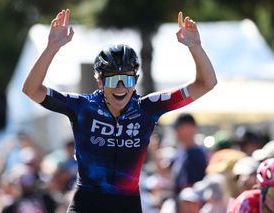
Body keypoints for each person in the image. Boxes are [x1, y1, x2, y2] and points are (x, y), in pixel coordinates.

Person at [22, 8, 217, 213]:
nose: (121, 86)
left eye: (128, 79)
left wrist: (195, 46)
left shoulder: (147, 108)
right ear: (99, 81)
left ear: (136, 80)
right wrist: (52, 47)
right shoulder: (83, 107)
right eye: (113, 79)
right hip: (86, 204)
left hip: (127, 205)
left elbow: (206, 84)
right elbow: (31, 90)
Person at [170, 113, 207, 197]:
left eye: (178, 128)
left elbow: (190, 188)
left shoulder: (195, 154)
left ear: (190, 128)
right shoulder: (181, 151)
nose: (176, 132)